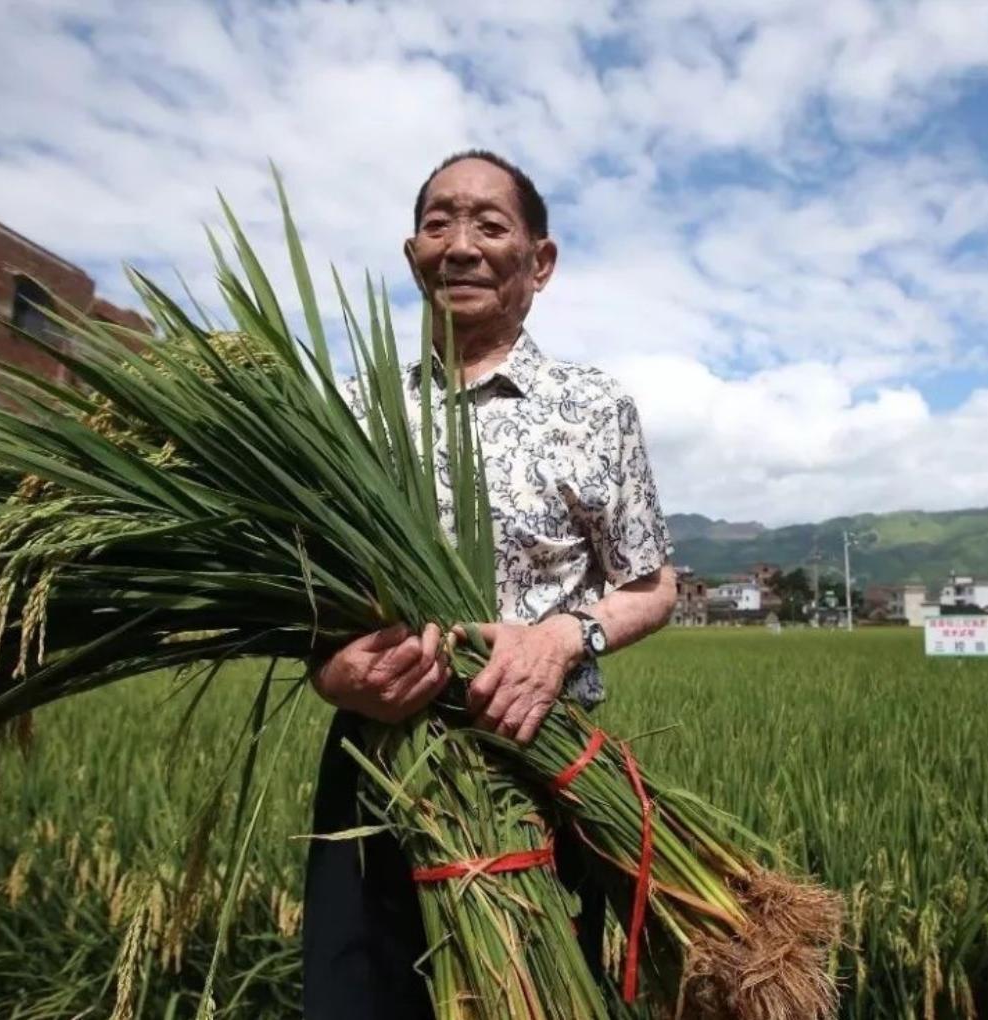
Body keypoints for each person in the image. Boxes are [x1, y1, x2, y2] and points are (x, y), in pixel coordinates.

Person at [302, 150, 678, 1020]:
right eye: (438, 223)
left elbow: (652, 586)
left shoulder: (593, 407)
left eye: (490, 225)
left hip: (537, 764)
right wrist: (332, 672)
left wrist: (562, 638)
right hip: (378, 766)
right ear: (413, 256)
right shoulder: (354, 414)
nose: (461, 245)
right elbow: (307, 597)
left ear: (539, 262)